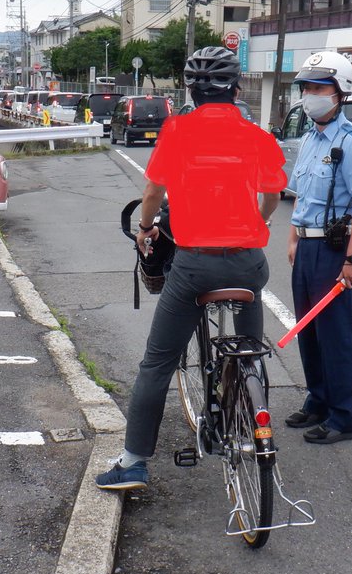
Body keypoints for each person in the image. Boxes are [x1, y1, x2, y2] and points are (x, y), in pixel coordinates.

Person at [96, 46, 287, 490]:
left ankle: (133, 462)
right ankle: (246, 405)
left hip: (195, 265)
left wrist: (145, 230)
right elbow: (273, 192)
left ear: (191, 91)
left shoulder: (178, 131)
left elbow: (152, 196)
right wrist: (259, 222)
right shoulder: (256, 135)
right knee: (250, 350)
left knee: (157, 363)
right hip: (247, 265)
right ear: (236, 89)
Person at [285, 51, 352, 445]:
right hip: (306, 249)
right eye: (306, 87)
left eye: (319, 87)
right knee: (309, 330)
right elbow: (302, 196)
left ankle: (345, 416)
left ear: (340, 93)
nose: (310, 95)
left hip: (337, 252)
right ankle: (318, 399)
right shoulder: (307, 139)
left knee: (337, 334)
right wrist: (292, 238)